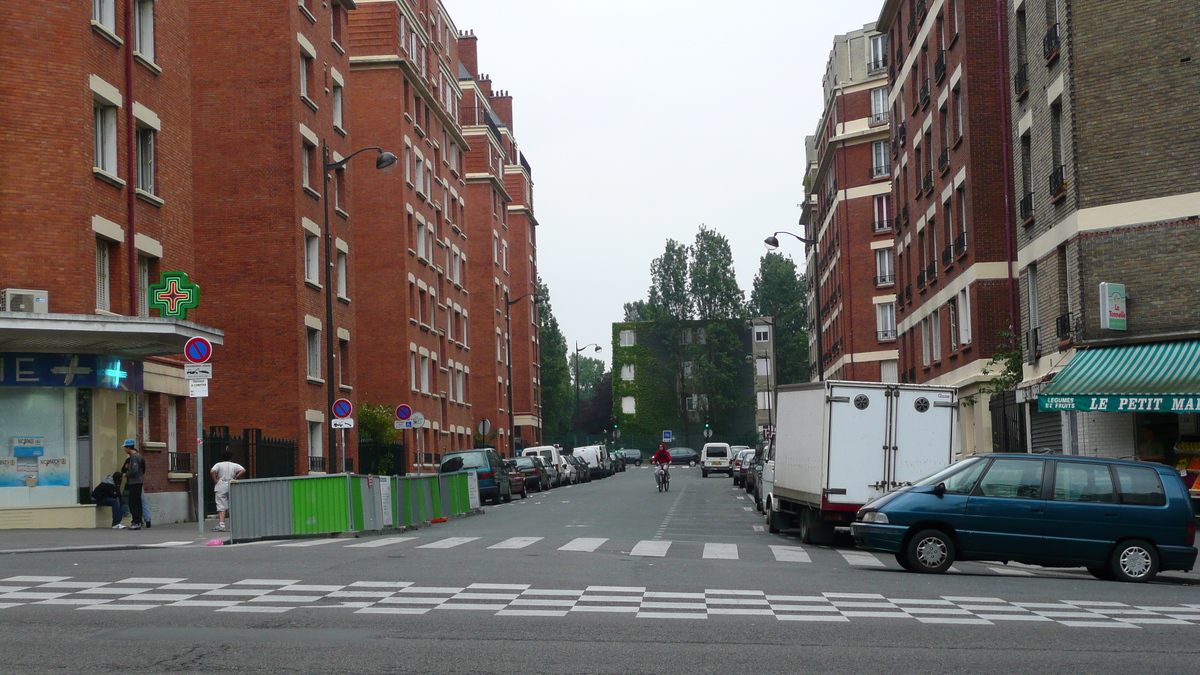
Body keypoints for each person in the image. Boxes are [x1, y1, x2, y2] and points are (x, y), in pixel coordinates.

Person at [210, 450, 246, 532]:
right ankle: (233, 526)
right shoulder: (234, 465)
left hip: (221, 485)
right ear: (230, 457)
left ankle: (222, 524)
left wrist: (215, 480)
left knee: (221, 505)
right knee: (232, 505)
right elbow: (243, 470)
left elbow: (212, 471)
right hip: (231, 484)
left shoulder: (218, 465)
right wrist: (235, 477)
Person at [121, 439, 146, 530]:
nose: (125, 450)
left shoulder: (134, 457)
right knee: (137, 502)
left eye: (125, 448)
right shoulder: (139, 456)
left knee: (133, 502)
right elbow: (143, 469)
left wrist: (126, 474)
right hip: (138, 481)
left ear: (128, 447)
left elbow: (135, 470)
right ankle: (138, 520)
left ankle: (136, 521)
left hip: (134, 482)